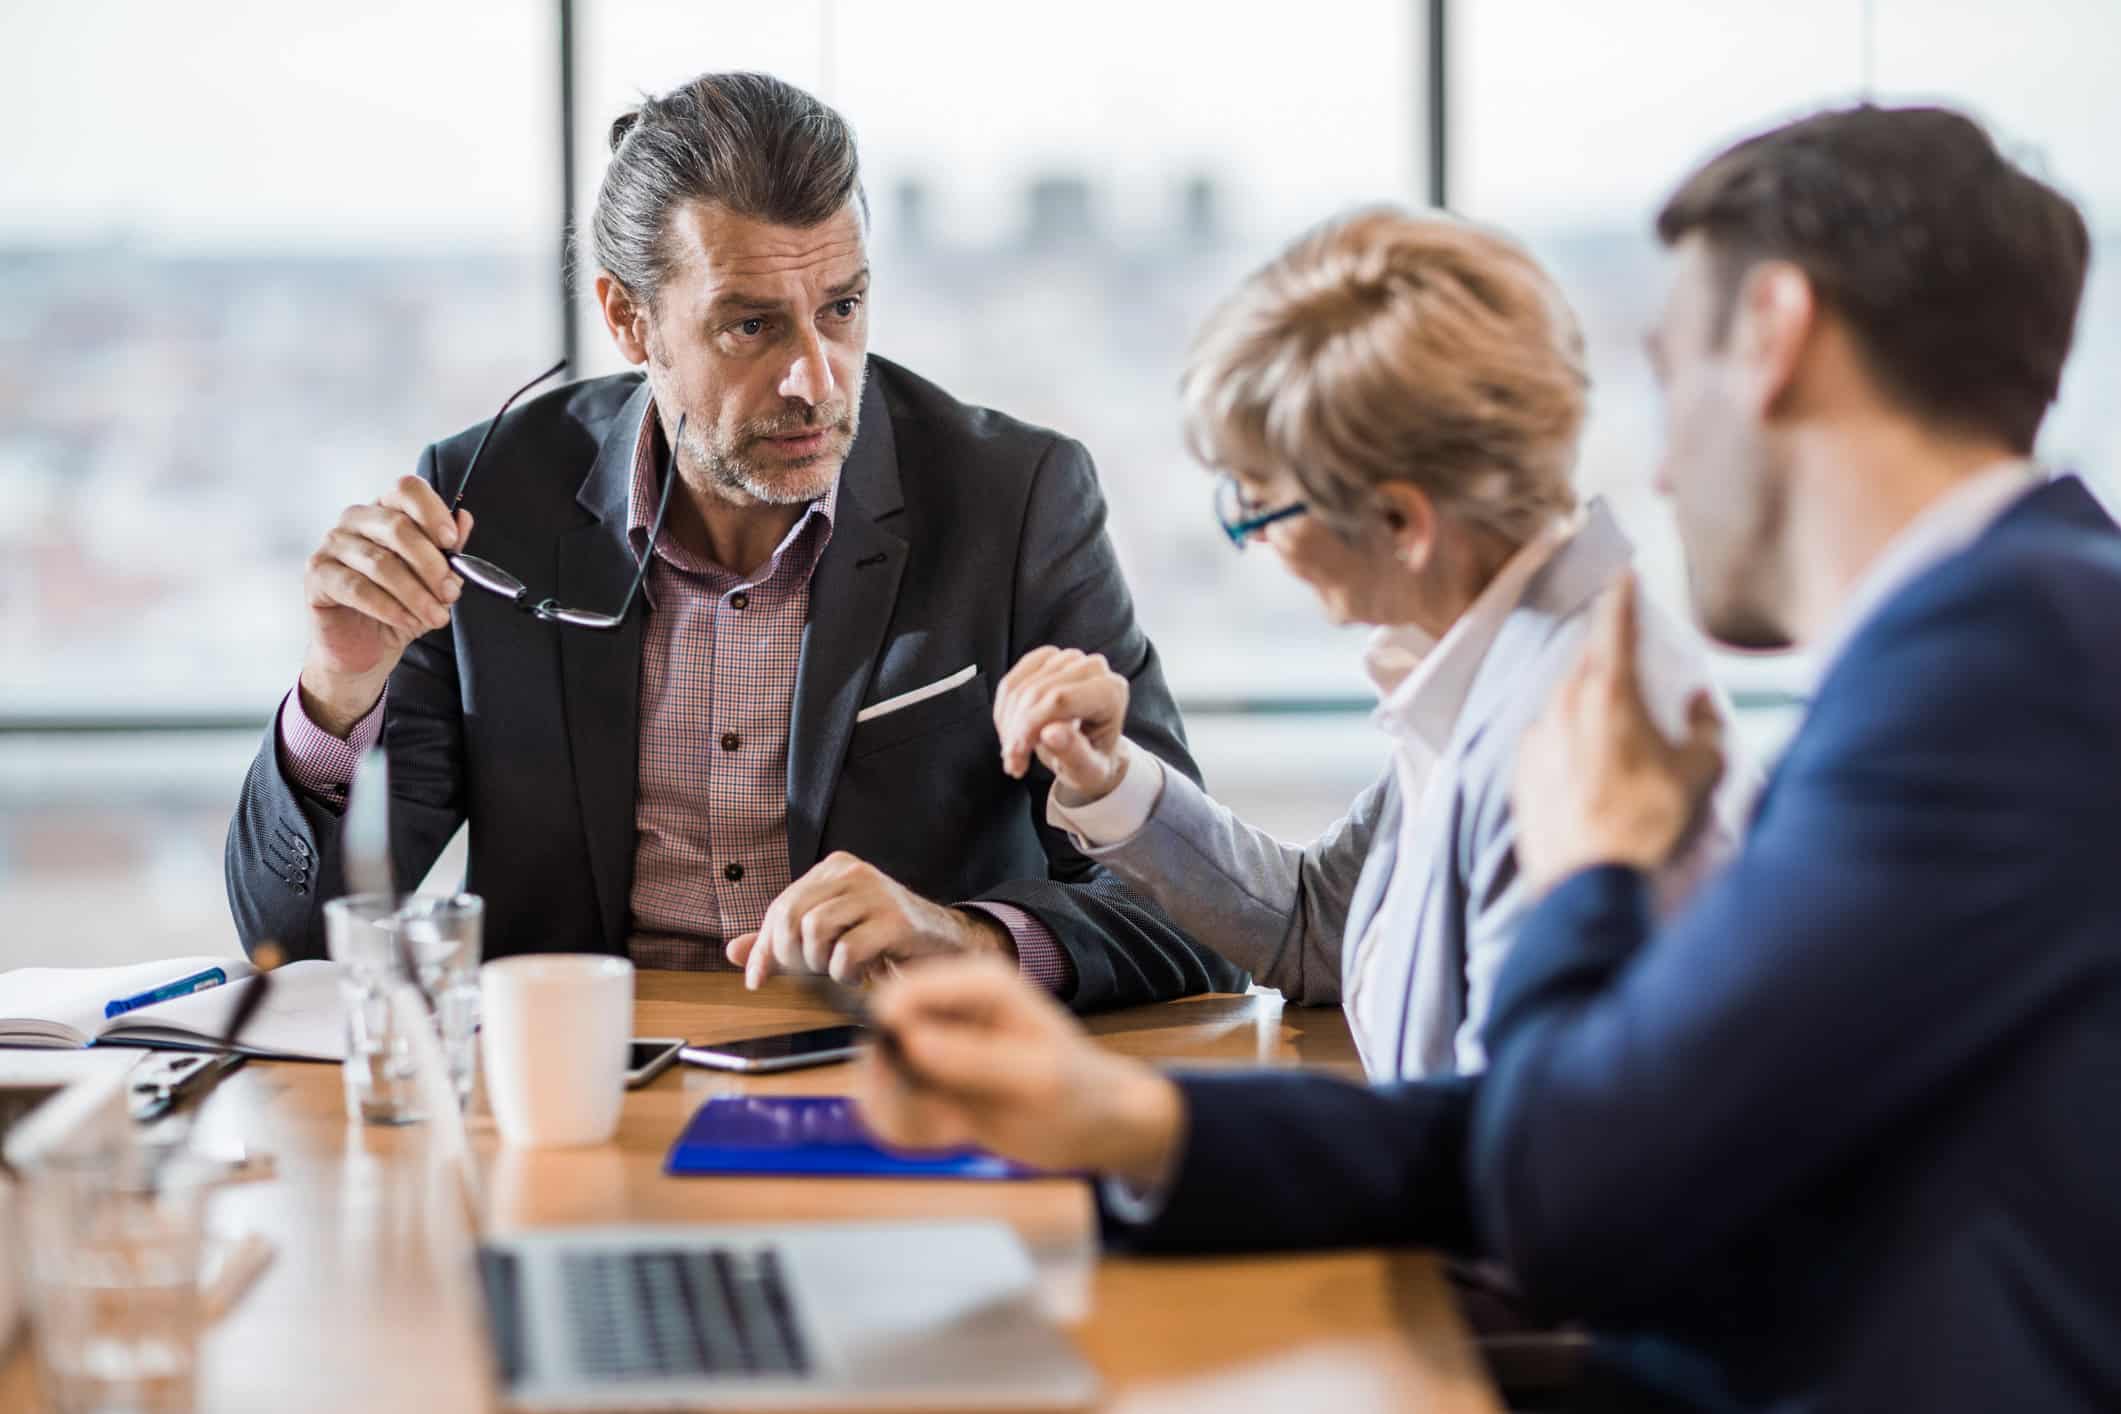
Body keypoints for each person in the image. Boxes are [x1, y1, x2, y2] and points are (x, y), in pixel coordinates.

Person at [856, 105, 2121, 1411]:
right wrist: (1128, 1123)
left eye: (1669, 369)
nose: (1666, 471)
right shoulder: (1994, 648)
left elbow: (1569, 1186)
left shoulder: (1992, 673)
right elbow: (1593, 1124)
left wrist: (1587, 874)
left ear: (1773, 332)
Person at [225, 71, 1243, 1011]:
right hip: (578, 1101)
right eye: (751, 327)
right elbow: (288, 943)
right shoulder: (490, 498)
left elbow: (1199, 913)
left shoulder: (1012, 500)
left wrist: (968, 938)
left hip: (897, 1089)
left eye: (841, 308)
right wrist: (338, 688)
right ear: (629, 321)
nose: (816, 378)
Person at [990, 208, 1750, 1079]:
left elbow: (1514, 1142)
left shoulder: (1581, 730)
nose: (1253, 540)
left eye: (1259, 503)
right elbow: (1322, 929)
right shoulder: (1494, 659)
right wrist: (1107, 778)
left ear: (1399, 520)